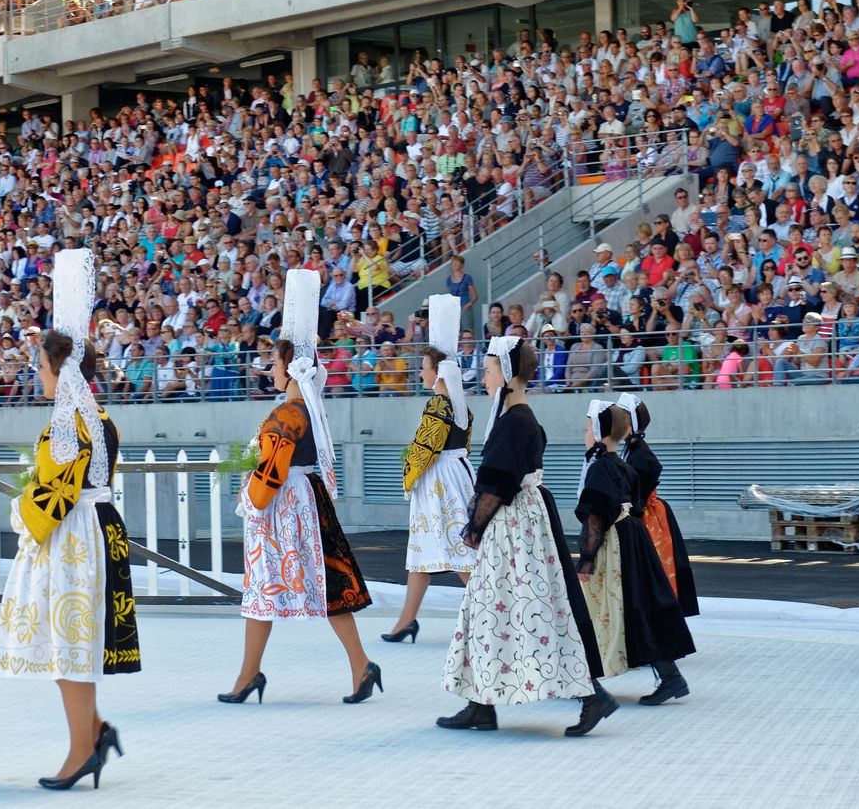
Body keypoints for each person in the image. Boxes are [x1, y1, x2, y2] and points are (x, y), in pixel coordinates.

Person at [0, 249, 139, 791]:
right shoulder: (98, 417)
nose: (39, 373)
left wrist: (20, 512)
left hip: (74, 534)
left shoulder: (68, 424)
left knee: (70, 649)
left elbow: (56, 491)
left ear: (61, 369)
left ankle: (82, 753)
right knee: (72, 645)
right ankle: (94, 734)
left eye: (42, 366)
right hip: (97, 526)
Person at [438, 336, 616, 737]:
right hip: (522, 523)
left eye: (488, 371)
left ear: (506, 373)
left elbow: (497, 483)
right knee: (500, 608)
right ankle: (481, 703)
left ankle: (591, 695)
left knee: (516, 609)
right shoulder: (519, 417)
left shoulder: (514, 422)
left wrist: (474, 527)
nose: (484, 378)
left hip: (512, 526)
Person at [220, 269, 380, 704]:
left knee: (262, 587)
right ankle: (359, 665)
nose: (269, 370)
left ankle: (250, 675)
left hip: (285, 508)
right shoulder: (305, 408)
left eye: (273, 364)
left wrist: (250, 501)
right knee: (327, 586)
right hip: (309, 500)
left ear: (290, 369)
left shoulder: (287, 413)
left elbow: (270, 472)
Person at [577, 401, 696, 703]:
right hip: (633, 540)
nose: (585, 434)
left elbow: (594, 519)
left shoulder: (600, 468)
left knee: (597, 609)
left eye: (587, 429)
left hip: (615, 545)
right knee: (637, 607)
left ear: (600, 431)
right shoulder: (623, 465)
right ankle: (669, 676)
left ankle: (583, 682)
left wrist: (586, 560)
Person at [385, 295, 476, 644]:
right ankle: (406, 621)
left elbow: (425, 448)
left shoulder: (438, 403)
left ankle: (491, 613)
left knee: (459, 550)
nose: (420, 372)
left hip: (440, 480)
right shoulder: (459, 403)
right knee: (425, 550)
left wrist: (409, 475)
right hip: (455, 474)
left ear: (437, 372)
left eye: (424, 367)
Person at [615, 393, 699, 618]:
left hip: (647, 516)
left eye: (620, 418)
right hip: (644, 511)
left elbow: (642, 486)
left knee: (653, 569)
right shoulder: (631, 448)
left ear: (631, 423)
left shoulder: (640, 454)